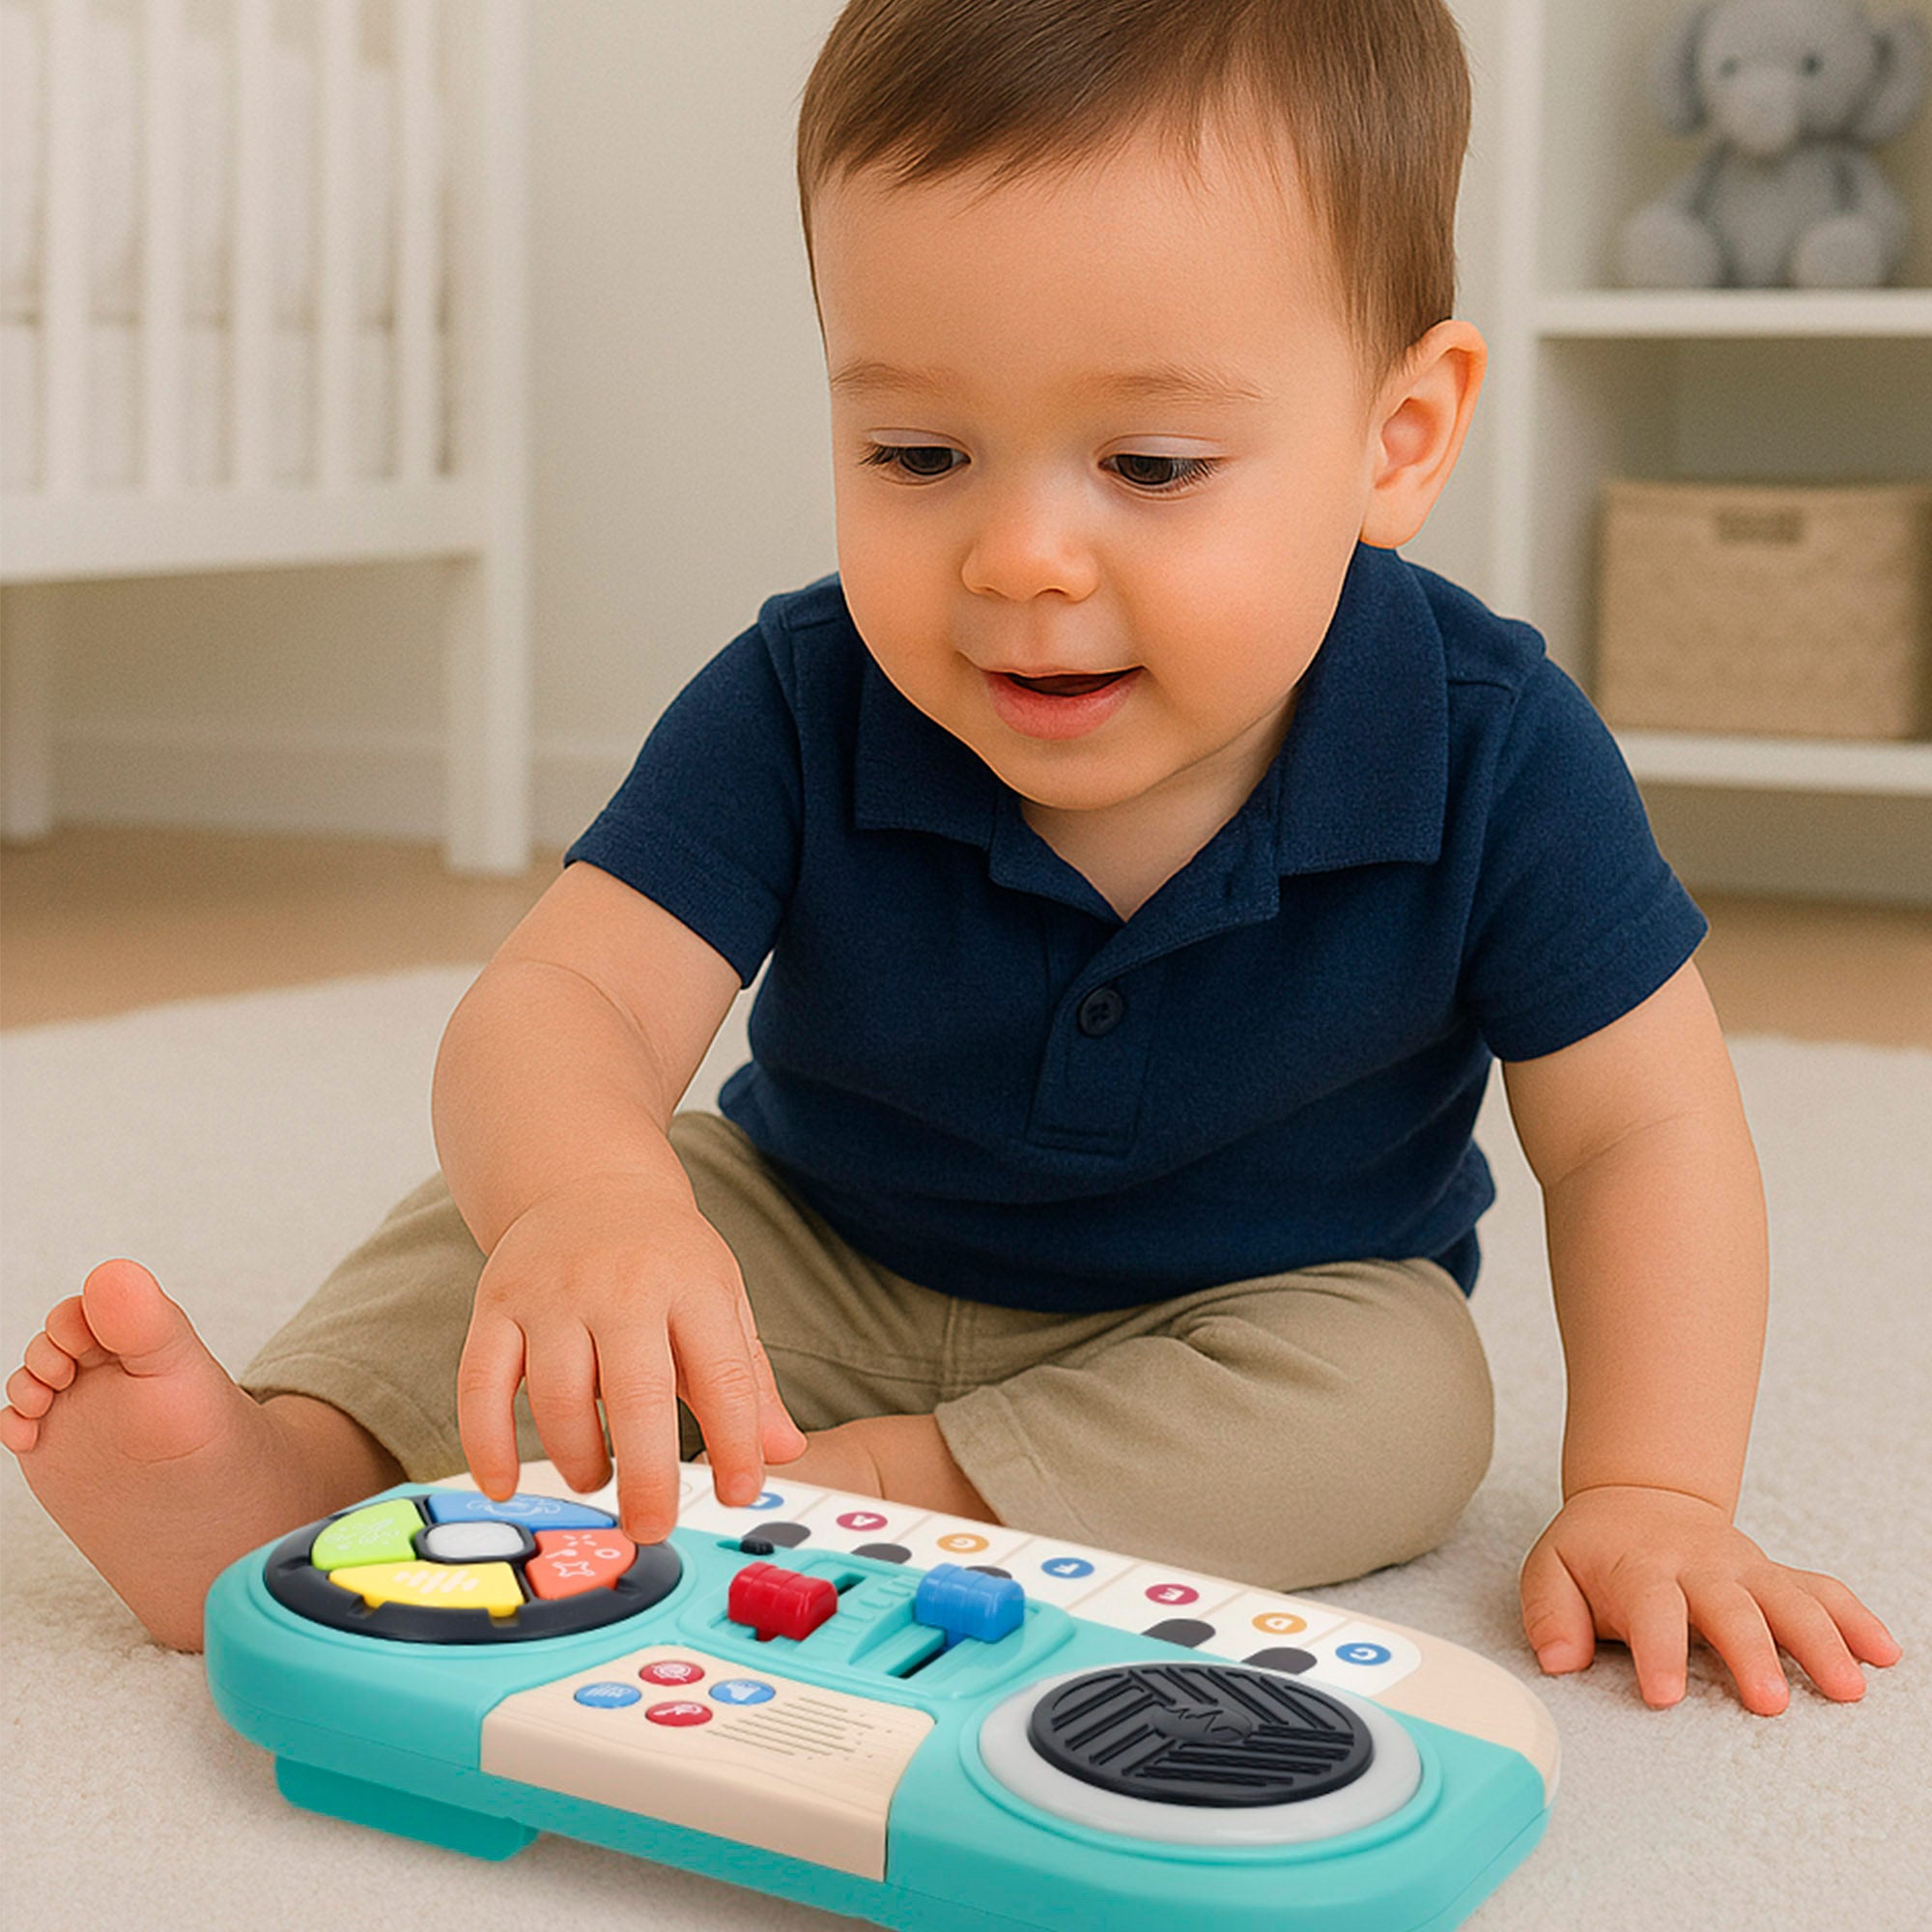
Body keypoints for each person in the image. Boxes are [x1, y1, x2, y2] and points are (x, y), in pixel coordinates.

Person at [3, 0, 1899, 1716]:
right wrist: (589, 1204)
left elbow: (1640, 1134)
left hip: (1242, 1312)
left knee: (1404, 1398)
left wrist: (1655, 1489)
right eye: (918, 454)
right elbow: (567, 995)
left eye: (1150, 467)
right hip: (816, 1251)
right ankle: (290, 1473)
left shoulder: (1493, 746)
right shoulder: (805, 691)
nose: (1020, 559)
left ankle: (867, 1497)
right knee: (538, 1211)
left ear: (1395, 440)